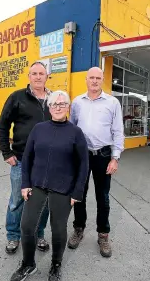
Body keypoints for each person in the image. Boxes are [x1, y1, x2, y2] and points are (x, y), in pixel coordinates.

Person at [10, 90, 89, 281]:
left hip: (63, 187)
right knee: (27, 226)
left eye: (62, 104)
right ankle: (28, 264)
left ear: (68, 107)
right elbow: (27, 158)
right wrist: (25, 184)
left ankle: (55, 265)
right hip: (37, 184)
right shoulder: (39, 129)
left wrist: (77, 192)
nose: (58, 107)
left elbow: (83, 165)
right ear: (49, 107)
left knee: (58, 229)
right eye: (54, 104)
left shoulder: (76, 133)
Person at [67, 66, 125, 258]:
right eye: (91, 78)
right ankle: (78, 229)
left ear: (102, 80)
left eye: (97, 78)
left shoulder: (112, 102)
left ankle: (103, 234)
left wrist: (115, 158)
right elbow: (72, 129)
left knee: (103, 197)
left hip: (103, 155)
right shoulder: (77, 102)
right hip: (82, 155)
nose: (94, 81)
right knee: (79, 194)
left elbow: (118, 131)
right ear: (86, 80)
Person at [0, 62, 52, 254]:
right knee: (17, 200)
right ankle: (13, 236)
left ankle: (39, 234)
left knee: (44, 202)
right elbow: (3, 124)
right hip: (21, 160)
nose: (38, 77)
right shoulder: (17, 97)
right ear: (29, 76)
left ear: (47, 77)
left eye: (41, 74)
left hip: (47, 163)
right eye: (34, 74)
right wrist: (6, 152)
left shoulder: (53, 100)